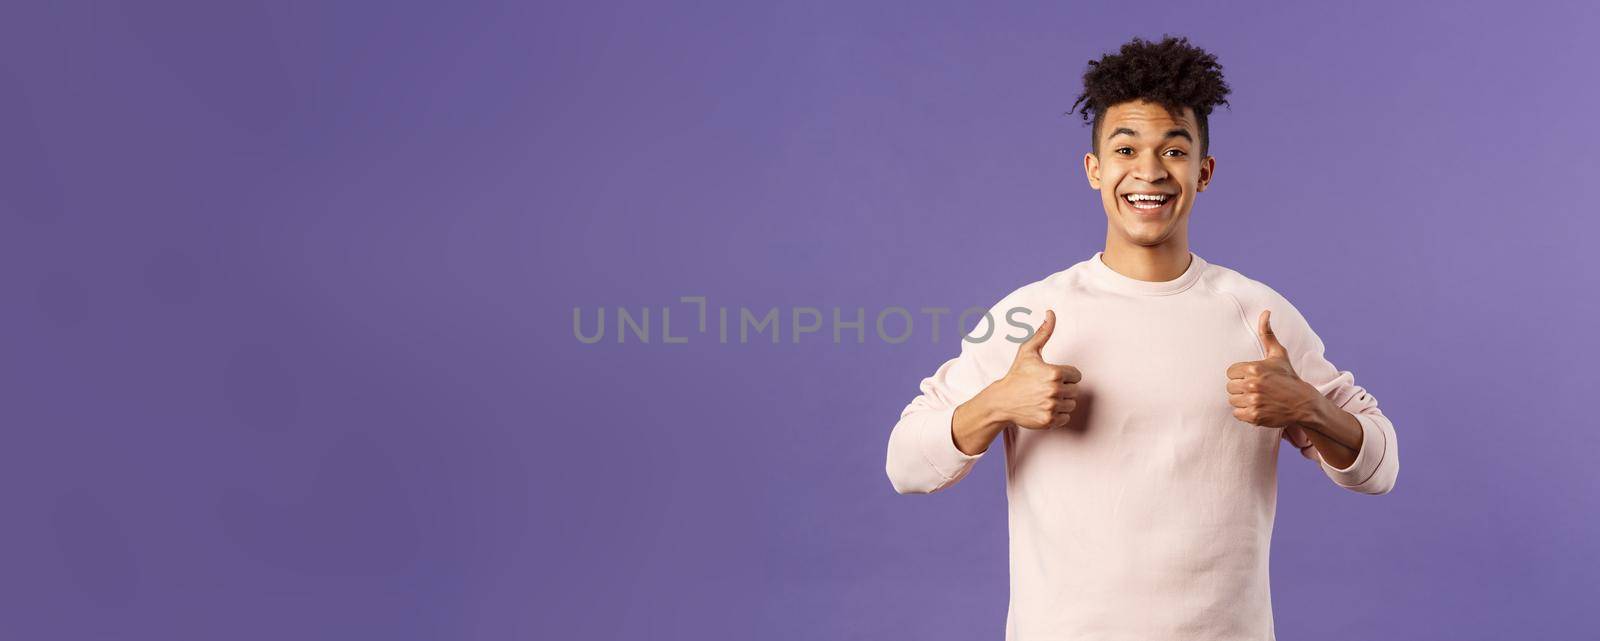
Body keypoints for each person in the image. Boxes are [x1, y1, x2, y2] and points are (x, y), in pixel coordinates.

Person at [884, 35, 1399, 640]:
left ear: (1203, 172)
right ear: (1094, 170)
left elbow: (1378, 469)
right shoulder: (1030, 314)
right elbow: (905, 463)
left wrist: (1308, 408)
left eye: (1174, 151)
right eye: (1125, 148)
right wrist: (996, 401)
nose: (1149, 171)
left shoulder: (1258, 316)